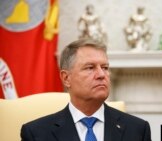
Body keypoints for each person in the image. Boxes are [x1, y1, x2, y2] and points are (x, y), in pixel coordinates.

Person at [20, 38, 152, 141]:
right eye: (90, 67)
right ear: (66, 78)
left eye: (105, 67)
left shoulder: (138, 130)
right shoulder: (36, 134)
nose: (101, 75)